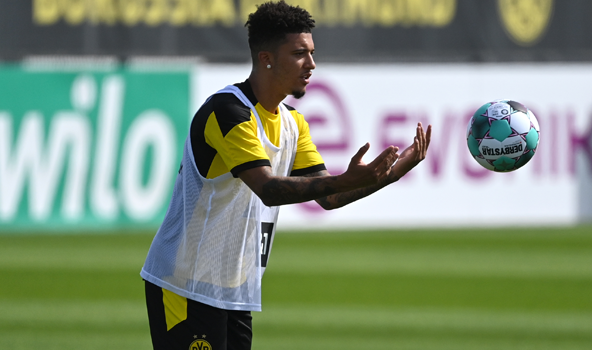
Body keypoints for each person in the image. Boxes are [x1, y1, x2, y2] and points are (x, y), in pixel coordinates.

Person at [140, 1, 432, 349]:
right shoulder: (228, 111)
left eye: (311, 53)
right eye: (298, 54)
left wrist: (390, 174)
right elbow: (269, 188)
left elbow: (330, 197)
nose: (311, 64)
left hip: (234, 291)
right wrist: (349, 178)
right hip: (185, 284)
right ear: (266, 58)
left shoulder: (293, 122)